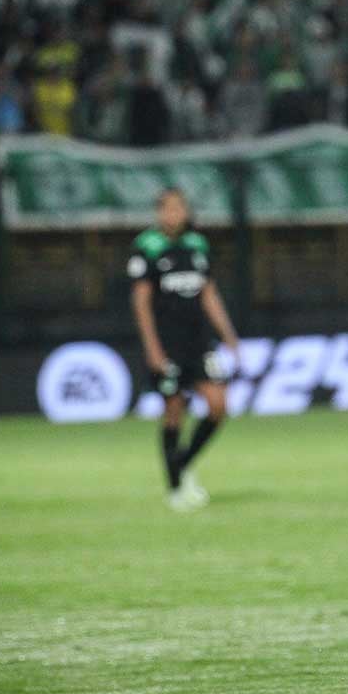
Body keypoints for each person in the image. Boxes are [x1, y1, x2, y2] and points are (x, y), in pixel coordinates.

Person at [129, 188, 239, 511]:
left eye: (178, 209)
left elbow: (208, 294)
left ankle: (183, 463)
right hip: (167, 343)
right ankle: (175, 488)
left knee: (218, 406)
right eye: (167, 209)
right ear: (158, 213)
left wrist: (228, 335)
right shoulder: (146, 247)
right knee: (174, 409)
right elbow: (141, 301)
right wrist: (152, 348)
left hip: (199, 341)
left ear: (186, 212)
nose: (173, 215)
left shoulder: (197, 245)